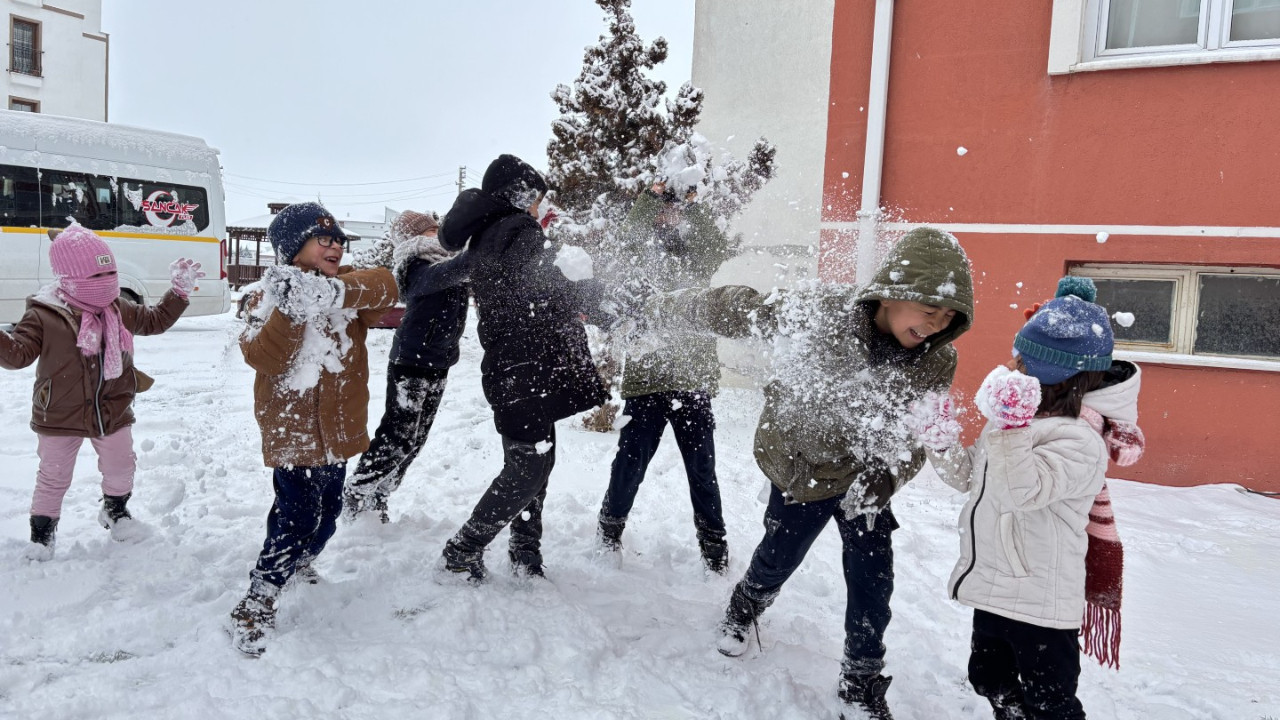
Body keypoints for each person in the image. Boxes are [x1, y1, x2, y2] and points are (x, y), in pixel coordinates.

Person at [643, 226, 974, 719]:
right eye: (930, 311)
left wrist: (885, 480)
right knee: (779, 556)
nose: (936, 325)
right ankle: (745, 607)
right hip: (805, 470)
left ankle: (860, 679)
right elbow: (741, 308)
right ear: (891, 294)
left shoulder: (935, 360)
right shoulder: (821, 313)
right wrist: (667, 308)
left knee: (872, 576)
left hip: (866, 476)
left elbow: (919, 433)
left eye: (948, 317)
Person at [914, 277, 1142, 720]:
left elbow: (1024, 491)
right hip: (995, 587)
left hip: (1040, 604)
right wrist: (940, 441)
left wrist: (1011, 428)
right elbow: (970, 478)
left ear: (1054, 375)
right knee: (988, 680)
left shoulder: (1080, 440)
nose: (1012, 364)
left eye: (1023, 360)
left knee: (1050, 705)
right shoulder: (1014, 422)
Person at [229, 202, 398, 657]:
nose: (336, 246)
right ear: (292, 247)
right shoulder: (262, 298)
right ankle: (259, 597)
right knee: (297, 514)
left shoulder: (343, 288)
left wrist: (329, 294)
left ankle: (300, 560)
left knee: (324, 515)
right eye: (324, 238)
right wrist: (293, 307)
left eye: (340, 239)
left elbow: (386, 286)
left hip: (338, 431)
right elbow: (267, 358)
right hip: (294, 432)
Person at [435, 154, 609, 582]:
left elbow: (536, 290)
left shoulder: (493, 234)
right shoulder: (516, 230)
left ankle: (525, 548)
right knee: (528, 467)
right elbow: (550, 286)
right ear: (519, 195)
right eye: (536, 200)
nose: (539, 209)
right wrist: (599, 297)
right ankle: (463, 550)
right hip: (523, 369)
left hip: (521, 367)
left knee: (537, 460)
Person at [0, 224, 198, 559]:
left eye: (111, 272)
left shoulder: (116, 307)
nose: (107, 282)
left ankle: (115, 512)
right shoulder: (44, 314)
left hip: (112, 409)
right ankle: (41, 537)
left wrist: (178, 295)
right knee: (53, 476)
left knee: (121, 466)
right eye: (98, 275)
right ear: (71, 276)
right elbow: (18, 354)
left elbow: (153, 321)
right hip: (59, 412)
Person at [596, 180, 735, 573]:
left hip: (692, 381)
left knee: (702, 469)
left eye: (676, 209)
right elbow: (628, 236)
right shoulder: (643, 257)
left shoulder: (699, 260)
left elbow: (715, 240)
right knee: (629, 463)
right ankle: (609, 529)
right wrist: (651, 197)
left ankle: (713, 544)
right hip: (647, 379)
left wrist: (692, 202)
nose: (669, 214)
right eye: (664, 208)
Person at [342, 210, 471, 522]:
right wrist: (478, 251)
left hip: (439, 361)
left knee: (416, 440)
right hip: (411, 361)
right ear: (414, 237)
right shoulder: (414, 265)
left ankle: (379, 499)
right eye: (431, 230)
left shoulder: (450, 261)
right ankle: (355, 494)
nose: (438, 233)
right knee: (399, 437)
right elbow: (447, 274)